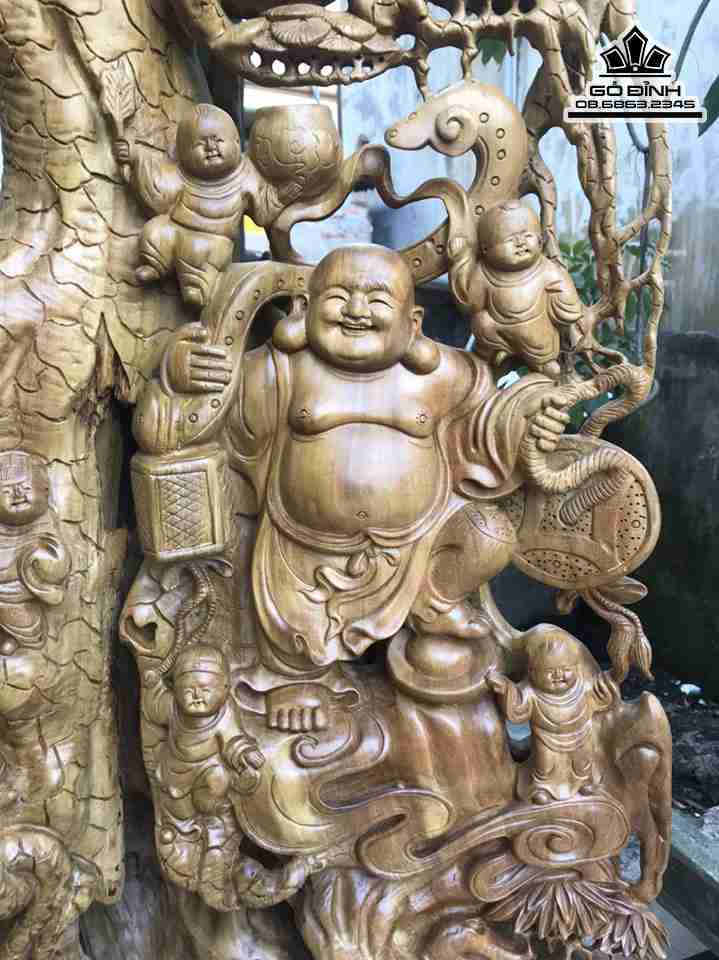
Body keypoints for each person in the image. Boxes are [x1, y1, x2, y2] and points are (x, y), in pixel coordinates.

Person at [135, 244, 571, 726]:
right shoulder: (277, 370)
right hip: (304, 548)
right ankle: (294, 678)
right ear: (304, 310)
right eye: (338, 297)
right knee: (289, 627)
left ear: (414, 322)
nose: (357, 310)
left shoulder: (447, 376)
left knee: (489, 534)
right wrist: (183, 377)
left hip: (421, 542)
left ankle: (434, 609)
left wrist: (534, 419)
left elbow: (490, 430)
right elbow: (190, 427)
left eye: (378, 300)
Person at [448, 200, 585, 378]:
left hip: (534, 329)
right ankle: (486, 362)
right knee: (482, 322)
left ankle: (544, 365)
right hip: (497, 330)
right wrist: (460, 260)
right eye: (510, 239)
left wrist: (566, 309)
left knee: (546, 357)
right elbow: (472, 304)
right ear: (486, 249)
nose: (520, 242)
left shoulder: (547, 269)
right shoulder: (483, 273)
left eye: (527, 235)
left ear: (540, 240)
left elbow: (567, 297)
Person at [488, 625, 620, 803]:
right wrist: (506, 689)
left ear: (577, 668)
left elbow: (602, 700)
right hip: (546, 739)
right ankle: (542, 788)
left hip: (581, 736)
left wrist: (606, 688)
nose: (558, 675)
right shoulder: (531, 692)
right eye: (549, 671)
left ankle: (584, 782)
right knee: (544, 766)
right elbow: (517, 711)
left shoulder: (584, 687)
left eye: (566, 669)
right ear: (532, 672)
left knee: (582, 762)